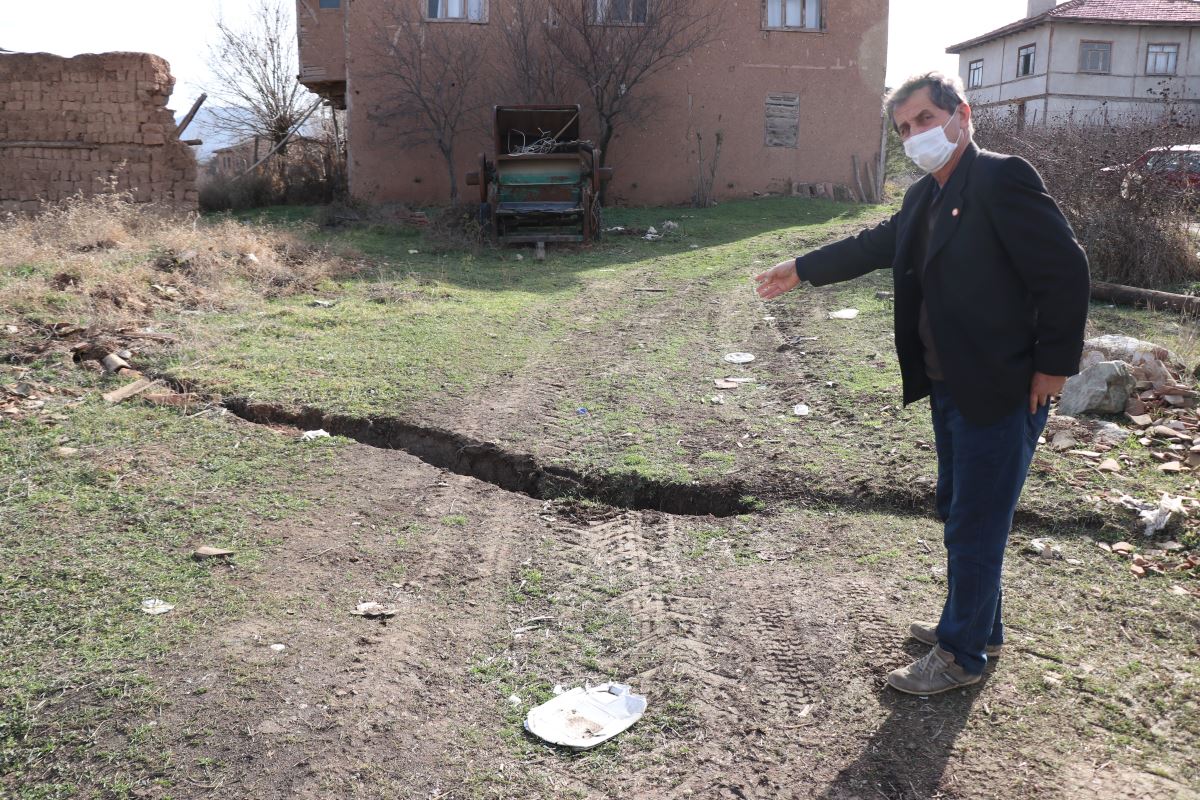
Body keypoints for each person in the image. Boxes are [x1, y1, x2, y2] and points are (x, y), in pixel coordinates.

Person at [753, 72, 1090, 695]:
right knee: (961, 508)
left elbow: (1066, 272)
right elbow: (872, 244)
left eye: (925, 120)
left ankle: (960, 656)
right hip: (950, 383)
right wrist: (800, 268)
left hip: (1003, 384)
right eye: (905, 128)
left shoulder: (999, 178)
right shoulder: (923, 197)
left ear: (961, 114)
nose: (916, 136)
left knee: (976, 521)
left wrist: (1054, 366)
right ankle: (979, 627)